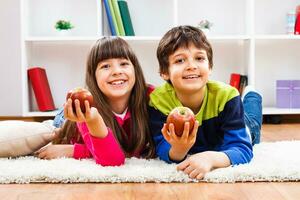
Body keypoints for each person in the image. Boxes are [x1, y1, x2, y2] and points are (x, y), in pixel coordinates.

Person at [148, 25, 262, 179]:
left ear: (210, 67)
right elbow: (161, 146)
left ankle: (252, 95)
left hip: (236, 125)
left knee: (253, 128)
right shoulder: (158, 101)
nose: (191, 66)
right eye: (180, 60)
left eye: (199, 58)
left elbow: (242, 149)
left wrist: (211, 158)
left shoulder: (227, 96)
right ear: (164, 72)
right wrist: (178, 150)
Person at [35, 37, 155, 166]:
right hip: (67, 119)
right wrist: (92, 122)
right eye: (106, 66)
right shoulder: (86, 107)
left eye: (124, 64)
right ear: (94, 76)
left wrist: (74, 150)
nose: (117, 71)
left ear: (135, 69)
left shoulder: (151, 97)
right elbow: (112, 159)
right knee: (47, 133)